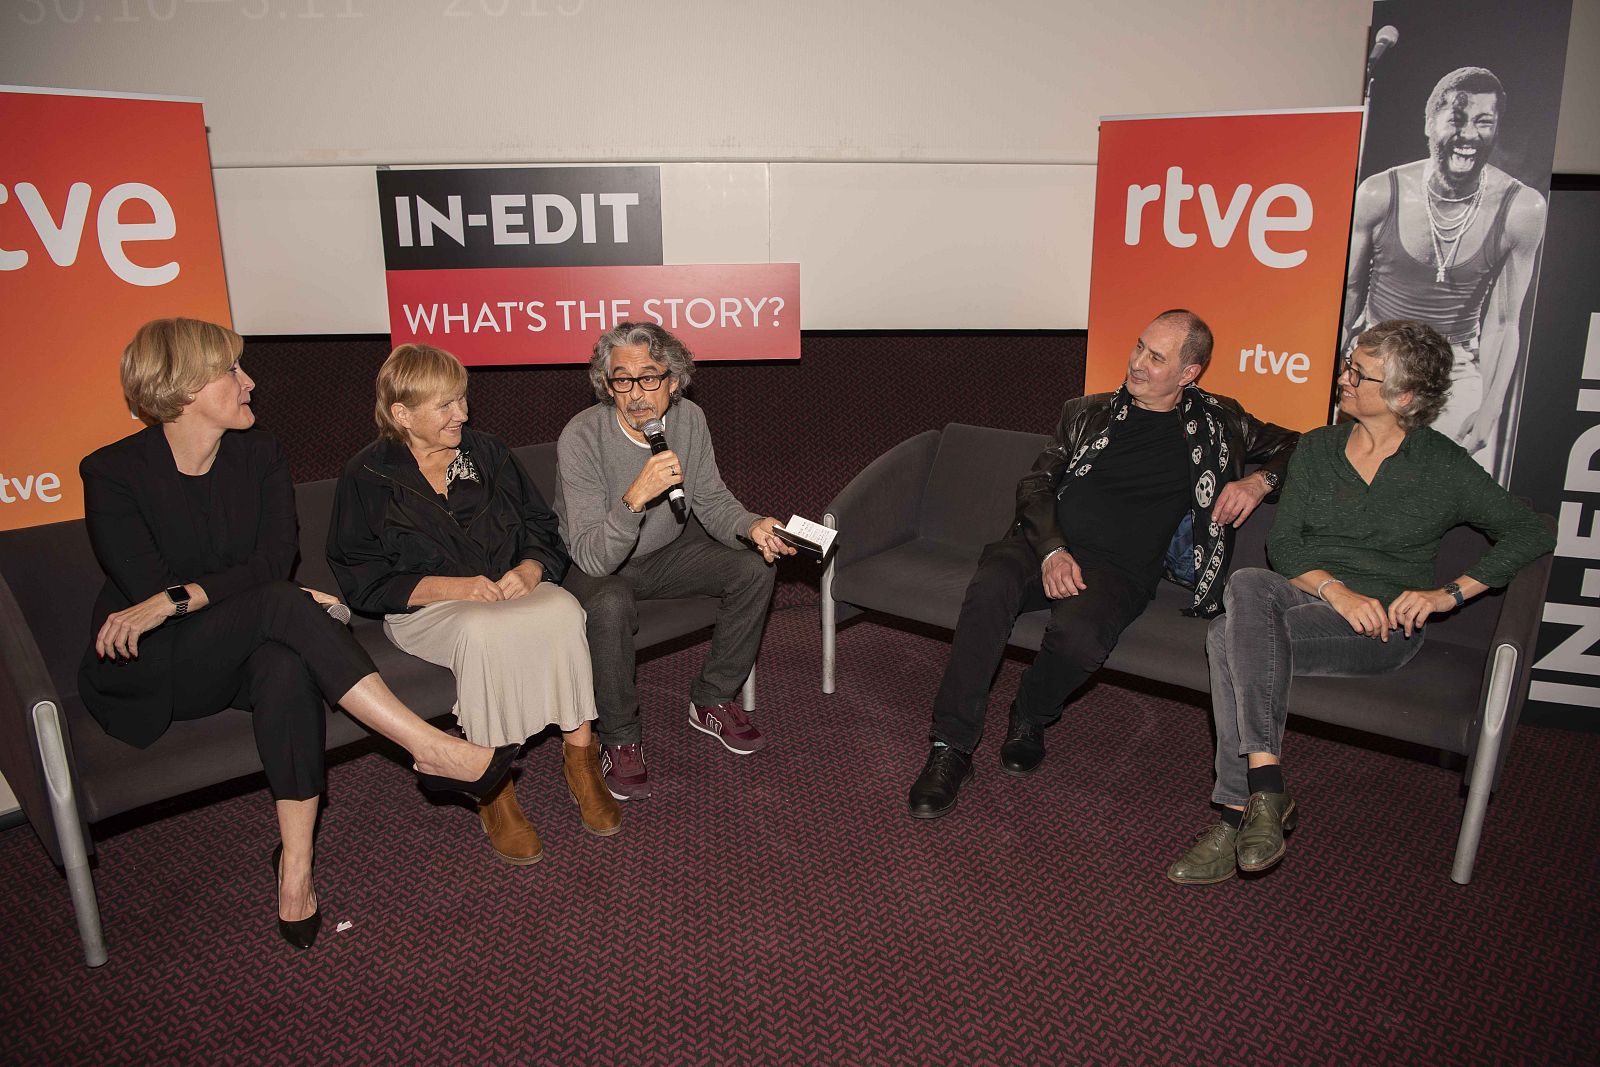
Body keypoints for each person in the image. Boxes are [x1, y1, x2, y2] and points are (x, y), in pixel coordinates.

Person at [78, 319, 517, 951]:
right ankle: (429, 746)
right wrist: (223, 598)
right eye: (231, 371)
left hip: (238, 646)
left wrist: (196, 597)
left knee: (285, 666)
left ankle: (296, 868)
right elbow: (149, 585)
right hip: (150, 663)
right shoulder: (113, 473)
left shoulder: (260, 454)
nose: (249, 382)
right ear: (182, 388)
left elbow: (270, 561)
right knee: (285, 607)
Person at [1166, 320, 1554, 885]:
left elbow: (1531, 532)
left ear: (1405, 397)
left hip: (1382, 630)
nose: (1343, 379)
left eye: (1358, 373)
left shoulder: (1441, 465)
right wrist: (1337, 591)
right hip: (1312, 596)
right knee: (1247, 581)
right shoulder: (1320, 447)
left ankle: (1234, 814)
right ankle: (1267, 792)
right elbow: (1285, 545)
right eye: (1349, 366)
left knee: (1226, 635)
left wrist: (1448, 594)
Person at [907, 309, 1299, 819]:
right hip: (1042, 543)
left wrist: (1258, 481)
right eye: (1139, 347)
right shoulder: (1086, 412)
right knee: (990, 588)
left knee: (1080, 641)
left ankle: (1030, 713)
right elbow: (1036, 484)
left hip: (1121, 569)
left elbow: (1304, 445)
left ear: (1188, 373)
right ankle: (950, 748)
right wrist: (1051, 549)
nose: (1136, 362)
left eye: (1155, 357)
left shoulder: (1220, 422)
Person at [328, 343, 619, 861]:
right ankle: (493, 788)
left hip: (507, 590)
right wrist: (455, 587)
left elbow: (540, 527)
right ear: (401, 413)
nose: (461, 413)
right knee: (484, 631)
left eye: (462, 400)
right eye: (444, 406)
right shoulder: (367, 476)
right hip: (427, 607)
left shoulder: (486, 452)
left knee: (563, 610)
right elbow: (362, 578)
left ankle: (581, 762)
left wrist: (531, 567)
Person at [554, 322, 795, 801]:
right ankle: (620, 736)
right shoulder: (580, 435)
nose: (636, 393)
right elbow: (591, 555)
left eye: (649, 378)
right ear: (607, 385)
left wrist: (751, 526)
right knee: (609, 604)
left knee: (753, 566)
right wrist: (634, 499)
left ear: (672, 381)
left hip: (664, 554)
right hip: (594, 564)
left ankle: (712, 698)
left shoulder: (689, 420)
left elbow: (709, 499)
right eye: (622, 380)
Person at [1343, 66, 1547, 478]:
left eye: (1483, 122)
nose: (1468, 135)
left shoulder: (1521, 209)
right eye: (1456, 118)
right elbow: (1348, 293)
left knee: (1453, 485)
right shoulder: (1381, 193)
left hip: (1452, 366)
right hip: (1376, 357)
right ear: (1429, 122)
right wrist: (1341, 369)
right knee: (1356, 483)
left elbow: (1505, 322)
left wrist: (1490, 409)